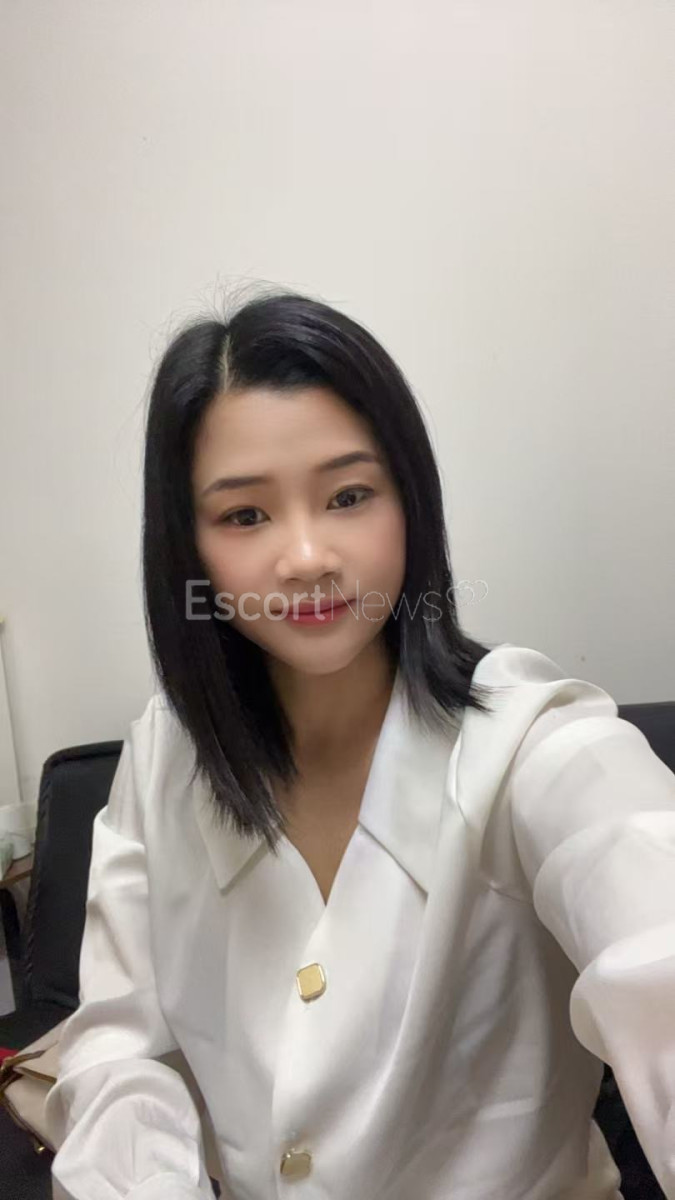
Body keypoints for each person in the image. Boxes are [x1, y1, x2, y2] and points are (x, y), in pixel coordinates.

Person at [44, 292, 675, 1200]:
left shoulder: (529, 743)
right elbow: (118, 1053)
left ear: (408, 501)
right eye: (245, 515)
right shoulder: (162, 759)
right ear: (189, 548)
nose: (306, 557)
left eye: (348, 496)